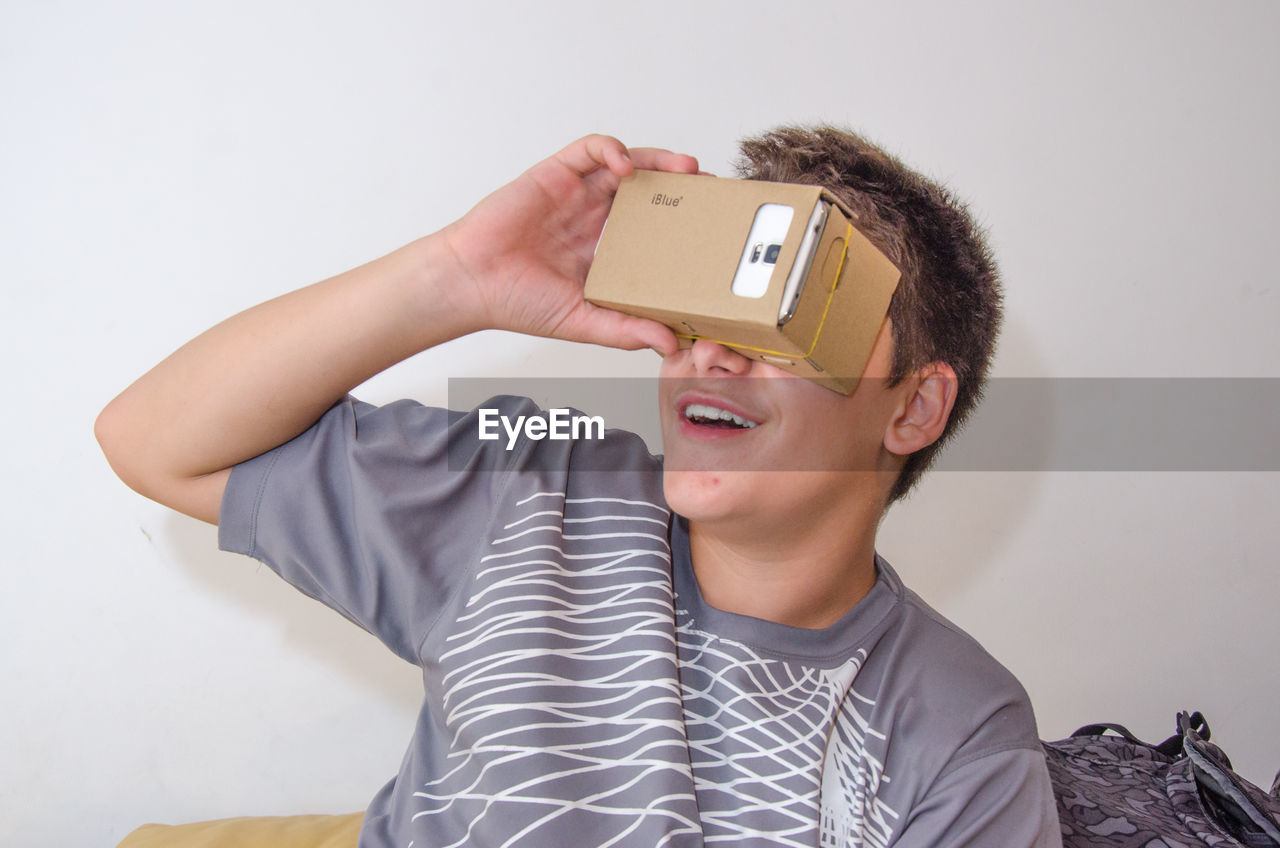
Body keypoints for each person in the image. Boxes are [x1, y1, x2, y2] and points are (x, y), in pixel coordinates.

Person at [96, 128, 1063, 847]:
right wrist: (458, 277)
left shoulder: (958, 732)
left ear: (914, 408)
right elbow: (153, 442)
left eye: (788, 322)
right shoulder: (538, 490)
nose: (712, 358)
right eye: (704, 311)